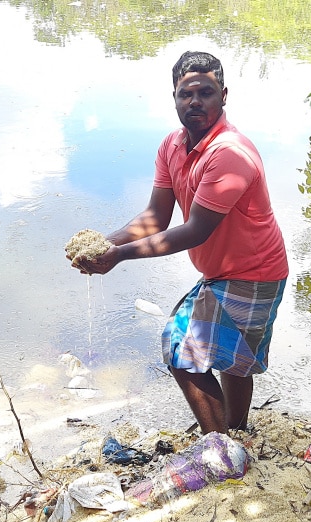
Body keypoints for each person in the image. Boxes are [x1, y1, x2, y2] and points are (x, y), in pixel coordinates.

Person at [70, 51, 289, 435]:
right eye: (186, 94)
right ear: (173, 97)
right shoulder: (172, 145)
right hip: (223, 271)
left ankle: (218, 446)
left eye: (206, 92)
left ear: (224, 95)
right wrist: (104, 245)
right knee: (231, 360)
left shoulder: (229, 154)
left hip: (254, 272)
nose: (195, 101)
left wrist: (120, 256)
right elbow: (156, 216)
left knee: (182, 349)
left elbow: (195, 230)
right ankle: (236, 435)